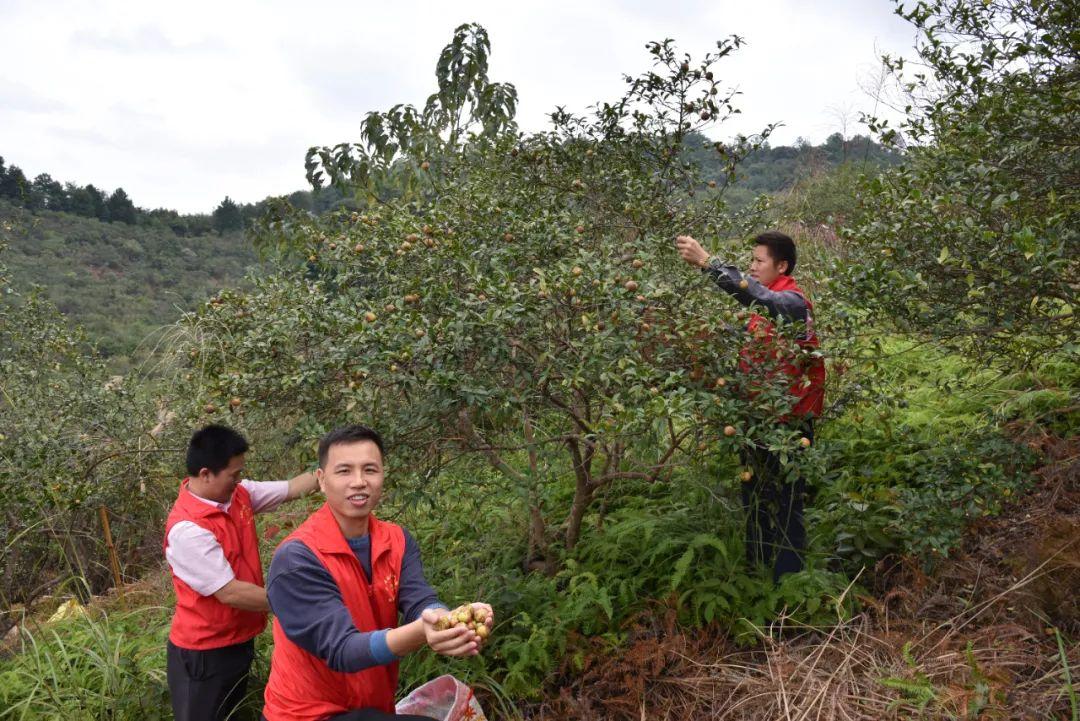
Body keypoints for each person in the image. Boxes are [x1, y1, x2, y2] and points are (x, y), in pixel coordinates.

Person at [261, 424, 492, 721]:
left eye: (370, 470)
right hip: (307, 715)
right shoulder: (297, 558)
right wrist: (424, 631)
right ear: (321, 480)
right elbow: (342, 649)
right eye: (344, 471)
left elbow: (419, 598)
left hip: (371, 706)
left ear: (383, 474)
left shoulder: (397, 540)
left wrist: (448, 622)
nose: (359, 482)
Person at [676, 230, 826, 581]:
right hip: (757, 420)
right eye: (752, 260)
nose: (753, 267)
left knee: (787, 505)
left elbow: (755, 295)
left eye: (759, 261)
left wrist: (709, 264)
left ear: (782, 265)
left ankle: (789, 587)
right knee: (755, 499)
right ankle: (756, 573)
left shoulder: (791, 303)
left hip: (789, 425)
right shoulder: (764, 306)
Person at [164, 424, 319, 721]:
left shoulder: (237, 495)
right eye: (233, 474)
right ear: (206, 473)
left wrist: (334, 469)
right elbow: (230, 592)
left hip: (238, 640)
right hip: (204, 655)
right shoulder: (189, 530)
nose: (239, 480)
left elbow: (292, 488)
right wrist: (298, 603)